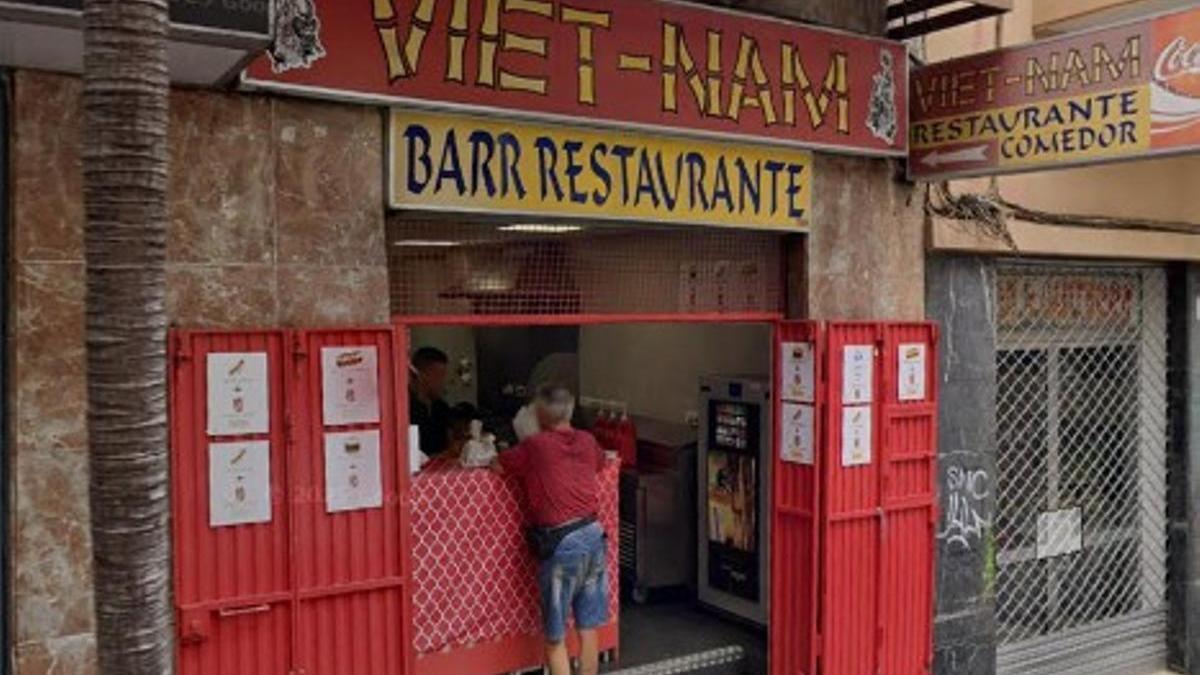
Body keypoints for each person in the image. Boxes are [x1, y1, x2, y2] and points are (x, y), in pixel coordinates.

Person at [494, 384, 609, 675]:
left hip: (561, 543)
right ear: (570, 410)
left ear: (540, 415)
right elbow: (601, 463)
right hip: (594, 535)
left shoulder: (535, 446)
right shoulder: (587, 440)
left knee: (555, 638)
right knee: (588, 629)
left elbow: (499, 465)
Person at [409, 347, 452, 457]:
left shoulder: (442, 408)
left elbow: (448, 444)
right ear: (421, 375)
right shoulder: (404, 408)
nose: (443, 382)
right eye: (439, 375)